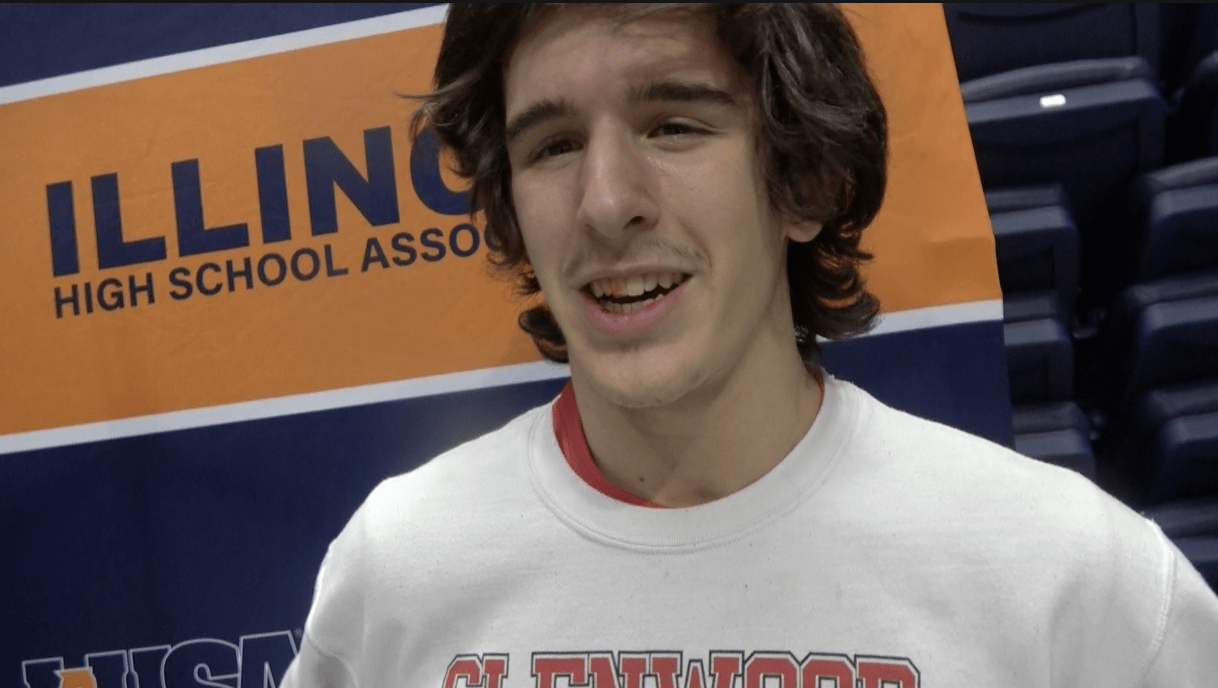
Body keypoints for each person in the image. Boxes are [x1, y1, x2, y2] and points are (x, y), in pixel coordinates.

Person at [282, 4, 1218, 687]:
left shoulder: (1073, 580)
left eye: (674, 126)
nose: (605, 204)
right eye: (553, 146)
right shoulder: (398, 570)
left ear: (803, 181)